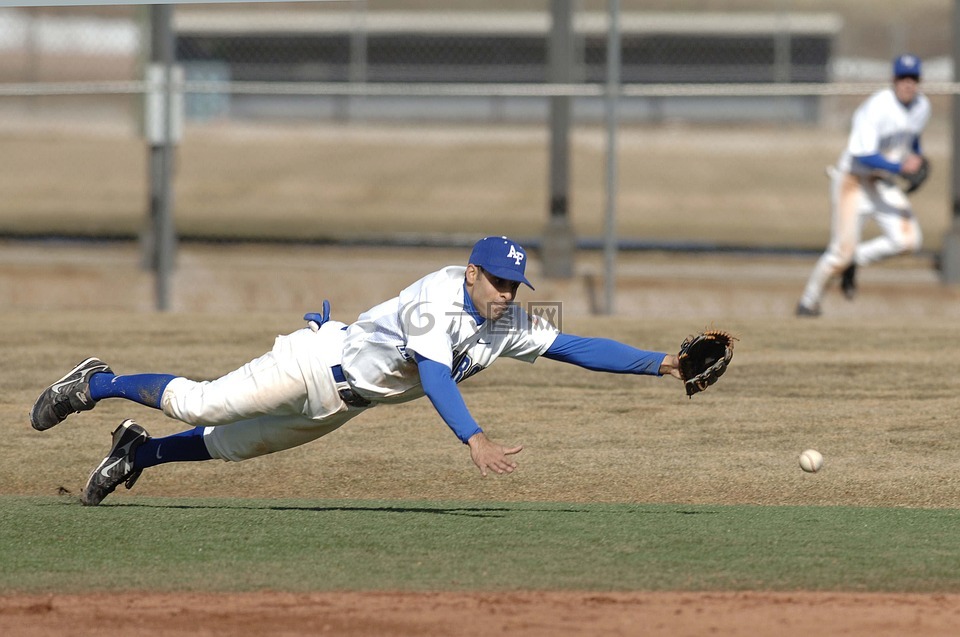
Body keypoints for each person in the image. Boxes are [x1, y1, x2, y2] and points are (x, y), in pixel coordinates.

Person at [30, 236, 685, 506]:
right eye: (499, 281)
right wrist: (474, 437)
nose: (509, 293)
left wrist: (662, 363)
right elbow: (434, 375)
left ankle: (139, 452)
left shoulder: (506, 323)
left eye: (517, 283)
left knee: (230, 445)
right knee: (204, 404)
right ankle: (96, 382)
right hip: (315, 360)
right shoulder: (436, 297)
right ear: (471, 273)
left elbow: (574, 344)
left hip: (343, 403)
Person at [796, 54, 930, 317]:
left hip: (882, 182)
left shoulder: (922, 106)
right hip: (853, 181)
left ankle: (855, 260)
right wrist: (901, 168)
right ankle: (808, 303)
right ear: (893, 80)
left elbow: (911, 140)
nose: (908, 84)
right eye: (903, 78)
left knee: (909, 240)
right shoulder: (877, 108)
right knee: (839, 254)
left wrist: (917, 158)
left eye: (913, 78)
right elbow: (861, 154)